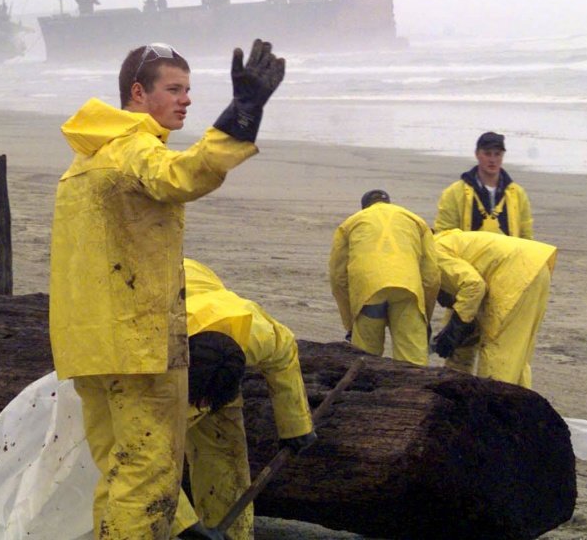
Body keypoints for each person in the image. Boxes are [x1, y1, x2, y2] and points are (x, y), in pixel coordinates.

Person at [48, 39, 285, 540]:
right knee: (147, 477)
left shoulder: (85, 162)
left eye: (189, 89)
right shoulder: (136, 150)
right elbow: (183, 175)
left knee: (118, 470)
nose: (187, 100)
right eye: (174, 89)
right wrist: (243, 114)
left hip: (86, 345)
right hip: (140, 347)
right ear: (138, 92)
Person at [173, 259, 316, 540]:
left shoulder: (254, 334)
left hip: (198, 284)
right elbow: (141, 461)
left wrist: (296, 426)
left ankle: (233, 533)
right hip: (150, 288)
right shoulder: (151, 347)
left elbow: (285, 351)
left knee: (225, 451)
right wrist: (186, 527)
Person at [431, 229, 557, 388]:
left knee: (498, 355)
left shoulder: (433, 252)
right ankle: (519, 408)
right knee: (516, 355)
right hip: (534, 268)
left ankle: (494, 407)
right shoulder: (449, 241)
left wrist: (458, 324)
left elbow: (473, 286)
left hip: (513, 276)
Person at [328, 190, 439, 365]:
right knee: (413, 363)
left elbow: (338, 278)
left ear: (364, 207)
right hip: (408, 291)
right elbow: (431, 277)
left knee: (365, 361)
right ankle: (411, 390)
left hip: (368, 292)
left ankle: (364, 388)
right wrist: (425, 316)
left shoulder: (349, 224)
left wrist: (350, 324)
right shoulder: (416, 221)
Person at [434, 131, 533, 238]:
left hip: (507, 254)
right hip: (468, 254)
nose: (492, 160)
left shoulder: (518, 194)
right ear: (477, 154)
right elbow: (444, 235)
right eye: (487, 154)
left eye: (497, 154)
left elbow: (526, 236)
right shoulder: (454, 193)